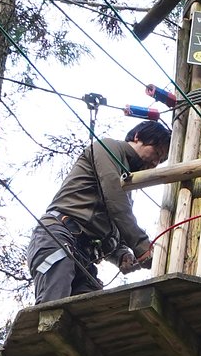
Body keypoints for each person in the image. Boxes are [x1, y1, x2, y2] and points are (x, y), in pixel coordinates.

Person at [25, 120, 172, 302]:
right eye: (156, 153)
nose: (155, 162)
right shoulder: (108, 148)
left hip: (84, 254)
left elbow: (111, 225)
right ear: (137, 137)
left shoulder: (125, 185)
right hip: (58, 236)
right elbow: (115, 200)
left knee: (88, 312)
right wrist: (142, 246)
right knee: (53, 304)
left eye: (160, 160)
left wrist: (121, 255)